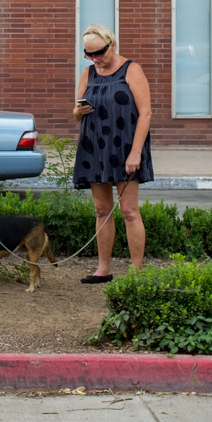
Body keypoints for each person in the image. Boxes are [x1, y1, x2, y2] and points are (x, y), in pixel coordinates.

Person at [71, 23, 153, 283]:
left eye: (99, 52)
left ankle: (137, 272)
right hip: (94, 147)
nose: (95, 58)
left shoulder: (132, 70)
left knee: (129, 210)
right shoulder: (88, 73)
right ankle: (103, 269)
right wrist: (77, 112)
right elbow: (76, 112)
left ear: (112, 45)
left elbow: (146, 113)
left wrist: (136, 152)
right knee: (101, 210)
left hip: (125, 148)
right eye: (89, 54)